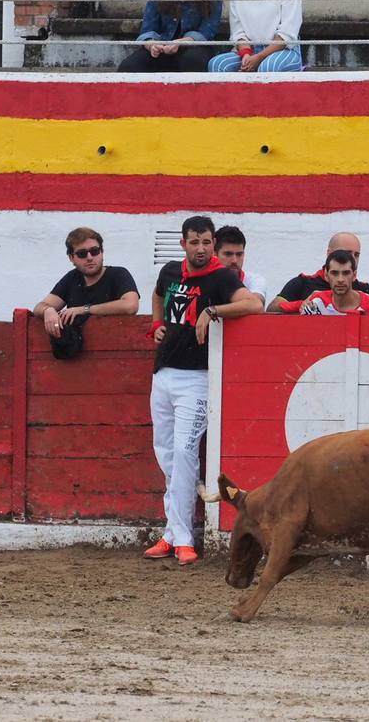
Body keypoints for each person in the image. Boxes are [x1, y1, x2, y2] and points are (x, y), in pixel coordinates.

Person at [145, 215, 261, 566]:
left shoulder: (221, 276)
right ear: (183, 244)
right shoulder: (170, 271)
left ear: (213, 243)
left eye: (206, 242)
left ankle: (181, 538)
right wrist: (156, 324)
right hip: (163, 374)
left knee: (183, 452)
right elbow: (157, 294)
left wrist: (213, 310)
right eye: (194, 242)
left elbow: (253, 304)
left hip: (197, 378)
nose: (201, 248)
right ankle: (173, 532)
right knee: (167, 453)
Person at [31, 227, 139, 343]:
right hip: (76, 356)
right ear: (71, 258)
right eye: (82, 254)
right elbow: (39, 307)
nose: (89, 257)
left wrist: (84, 309)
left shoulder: (118, 274)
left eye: (94, 251)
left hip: (117, 347)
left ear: (102, 252)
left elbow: (130, 306)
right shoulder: (72, 278)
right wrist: (48, 310)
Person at [268, 231, 369, 317]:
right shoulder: (303, 282)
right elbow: (272, 309)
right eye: (347, 253)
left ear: (353, 274)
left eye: (356, 255)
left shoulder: (365, 290)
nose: (352, 259)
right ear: (329, 254)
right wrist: (302, 305)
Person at [277, 249, 369, 316]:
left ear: (354, 275)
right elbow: (276, 308)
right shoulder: (317, 301)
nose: (340, 279)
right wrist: (301, 305)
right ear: (326, 275)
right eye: (335, 273)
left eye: (346, 273)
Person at [214, 225, 267, 305]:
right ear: (214, 254)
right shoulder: (205, 280)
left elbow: (255, 304)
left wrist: (211, 311)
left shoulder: (254, 280)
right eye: (228, 254)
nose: (234, 261)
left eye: (239, 254)